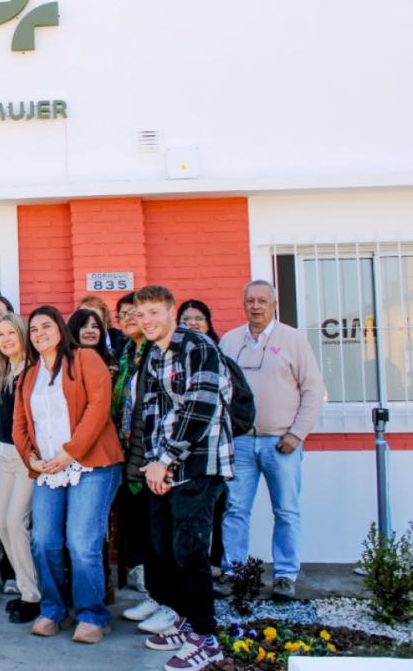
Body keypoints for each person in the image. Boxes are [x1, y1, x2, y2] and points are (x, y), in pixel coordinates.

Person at [136, 285, 234, 670]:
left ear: (172, 312)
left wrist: (169, 459)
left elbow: (200, 406)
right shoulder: (154, 354)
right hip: (165, 466)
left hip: (199, 463)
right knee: (163, 549)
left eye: (154, 313)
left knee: (189, 551)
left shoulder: (197, 346)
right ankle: (182, 619)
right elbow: (151, 413)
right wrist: (153, 463)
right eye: (141, 315)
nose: (146, 321)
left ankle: (206, 638)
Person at [12, 306, 124, 642]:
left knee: (81, 542)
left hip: (91, 465)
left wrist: (69, 452)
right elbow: (18, 424)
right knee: (44, 540)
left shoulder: (85, 359)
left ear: (61, 330)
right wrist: (29, 457)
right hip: (47, 468)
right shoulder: (28, 374)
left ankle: (92, 615)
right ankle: (54, 610)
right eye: (33, 330)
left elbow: (98, 408)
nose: (39, 333)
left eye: (46, 326)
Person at [218, 281, 323, 601]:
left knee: (287, 510)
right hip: (242, 444)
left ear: (274, 304)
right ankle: (233, 572)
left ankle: (285, 576)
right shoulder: (230, 341)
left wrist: (296, 433)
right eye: (250, 300)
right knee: (235, 509)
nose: (256, 306)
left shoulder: (293, 340)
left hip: (282, 442)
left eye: (263, 300)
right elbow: (221, 390)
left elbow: (313, 390)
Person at [112, 292, 169, 630]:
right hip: (132, 453)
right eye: (124, 314)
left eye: (138, 312)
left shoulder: (160, 351)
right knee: (146, 531)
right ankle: (156, 597)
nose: (131, 318)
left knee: (162, 532)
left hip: (158, 456)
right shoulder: (128, 355)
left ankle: (170, 603)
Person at [0, 312, 41, 623]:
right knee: (1, 523)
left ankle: (33, 595)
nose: (6, 339)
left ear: (23, 335)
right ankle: (26, 587)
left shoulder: (33, 371)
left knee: (16, 522)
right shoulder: (4, 370)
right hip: (3, 455)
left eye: (11, 333)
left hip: (26, 458)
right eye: (0, 335)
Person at [176, 299, 225, 576]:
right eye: (186, 319)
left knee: (216, 510)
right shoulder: (173, 357)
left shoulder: (218, 354)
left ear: (208, 324)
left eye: (198, 319)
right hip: (185, 455)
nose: (192, 324)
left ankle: (217, 565)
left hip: (214, 450)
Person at [68, 308, 118, 378]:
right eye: (84, 326)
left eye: (95, 326)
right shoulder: (66, 362)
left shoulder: (111, 361)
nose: (90, 331)